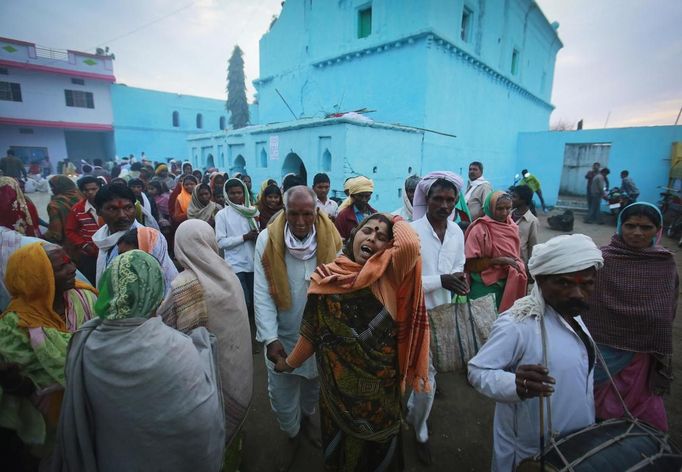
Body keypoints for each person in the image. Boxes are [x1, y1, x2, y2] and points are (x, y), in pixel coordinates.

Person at [275, 213, 430, 471]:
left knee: (380, 456)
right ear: (354, 235)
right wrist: (289, 363)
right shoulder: (327, 277)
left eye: (382, 237)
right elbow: (311, 333)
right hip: (335, 394)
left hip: (379, 397)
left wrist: (394, 218)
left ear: (390, 246)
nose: (372, 238)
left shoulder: (392, 275)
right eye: (367, 230)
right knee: (340, 455)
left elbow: (410, 244)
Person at [52, 250, 225, 472]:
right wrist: (202, 346)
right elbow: (199, 424)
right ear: (155, 292)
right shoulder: (176, 348)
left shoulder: (88, 345)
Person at [468, 234, 604, 470]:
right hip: (527, 452)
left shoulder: (574, 315)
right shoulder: (517, 323)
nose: (577, 293)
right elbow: (478, 371)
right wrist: (514, 385)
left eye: (586, 284)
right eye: (564, 283)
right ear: (540, 280)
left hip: (575, 443)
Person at [254, 186, 342, 471]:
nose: (301, 222)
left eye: (307, 214)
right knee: (281, 396)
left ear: (316, 212)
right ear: (284, 210)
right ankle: (291, 434)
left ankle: (306, 421)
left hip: (320, 337)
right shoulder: (267, 239)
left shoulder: (333, 240)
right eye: (294, 214)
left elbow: (340, 288)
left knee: (313, 387)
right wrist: (269, 338)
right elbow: (262, 293)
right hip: (283, 336)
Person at [158, 220, 252, 470]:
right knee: (231, 426)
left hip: (201, 377)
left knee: (211, 431)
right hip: (234, 371)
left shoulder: (183, 284)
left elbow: (163, 326)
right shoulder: (228, 273)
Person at [582, 203, 677, 431]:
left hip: (641, 350)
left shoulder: (664, 263)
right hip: (602, 346)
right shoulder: (602, 258)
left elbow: (667, 308)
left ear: (658, 230)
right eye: (630, 225)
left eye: (646, 227)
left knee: (636, 405)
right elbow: (586, 299)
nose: (637, 233)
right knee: (591, 401)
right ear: (620, 226)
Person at [0, 243, 96, 464]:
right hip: (47, 422)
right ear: (37, 277)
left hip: (94, 408)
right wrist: (18, 384)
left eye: (70, 261)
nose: (73, 268)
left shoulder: (84, 298)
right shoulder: (13, 326)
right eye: (62, 266)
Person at [407, 171, 468, 465]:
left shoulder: (457, 232)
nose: (444, 205)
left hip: (443, 316)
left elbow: (458, 266)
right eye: (438, 199)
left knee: (428, 376)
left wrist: (459, 280)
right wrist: (440, 281)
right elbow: (400, 282)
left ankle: (414, 414)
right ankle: (419, 433)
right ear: (426, 200)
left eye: (450, 200)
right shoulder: (410, 232)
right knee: (425, 380)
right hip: (414, 317)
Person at [465, 191, 527, 312]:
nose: (504, 213)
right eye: (499, 208)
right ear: (490, 207)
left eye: (508, 208)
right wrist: (498, 260)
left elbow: (515, 256)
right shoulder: (479, 229)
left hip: (508, 285)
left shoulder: (512, 227)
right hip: (484, 287)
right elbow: (470, 264)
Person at [216, 178, 259, 335]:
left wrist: (256, 236)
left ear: (244, 193)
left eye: (239, 193)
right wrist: (244, 237)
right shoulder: (222, 215)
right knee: (243, 302)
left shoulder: (252, 211)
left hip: (253, 263)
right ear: (226, 195)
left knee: (255, 302)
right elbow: (221, 242)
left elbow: (257, 234)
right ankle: (244, 334)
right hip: (235, 265)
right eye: (232, 193)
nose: (236, 196)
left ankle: (255, 333)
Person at [91, 184, 141, 285]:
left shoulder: (148, 239)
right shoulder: (101, 238)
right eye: (112, 209)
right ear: (98, 211)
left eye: (128, 208)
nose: (122, 215)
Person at [116, 226, 178, 296]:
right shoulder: (122, 280)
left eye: (130, 256)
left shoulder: (176, 286)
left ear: (150, 252)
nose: (123, 261)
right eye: (121, 256)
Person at [65, 176, 103, 284]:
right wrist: (85, 246)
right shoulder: (77, 209)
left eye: (94, 189)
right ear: (82, 191)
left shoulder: (109, 204)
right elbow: (70, 231)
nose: (90, 192)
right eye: (86, 190)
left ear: (100, 188)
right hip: (90, 254)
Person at [43, 175, 82, 245]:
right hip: (86, 239)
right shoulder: (82, 195)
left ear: (59, 187)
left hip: (69, 244)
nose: (52, 189)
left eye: (53, 187)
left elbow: (56, 233)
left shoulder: (55, 205)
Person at [511, 185, 539, 266]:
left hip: (519, 263)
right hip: (505, 259)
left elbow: (533, 246)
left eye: (514, 197)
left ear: (523, 200)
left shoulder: (532, 221)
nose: (511, 199)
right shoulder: (508, 215)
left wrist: (529, 266)